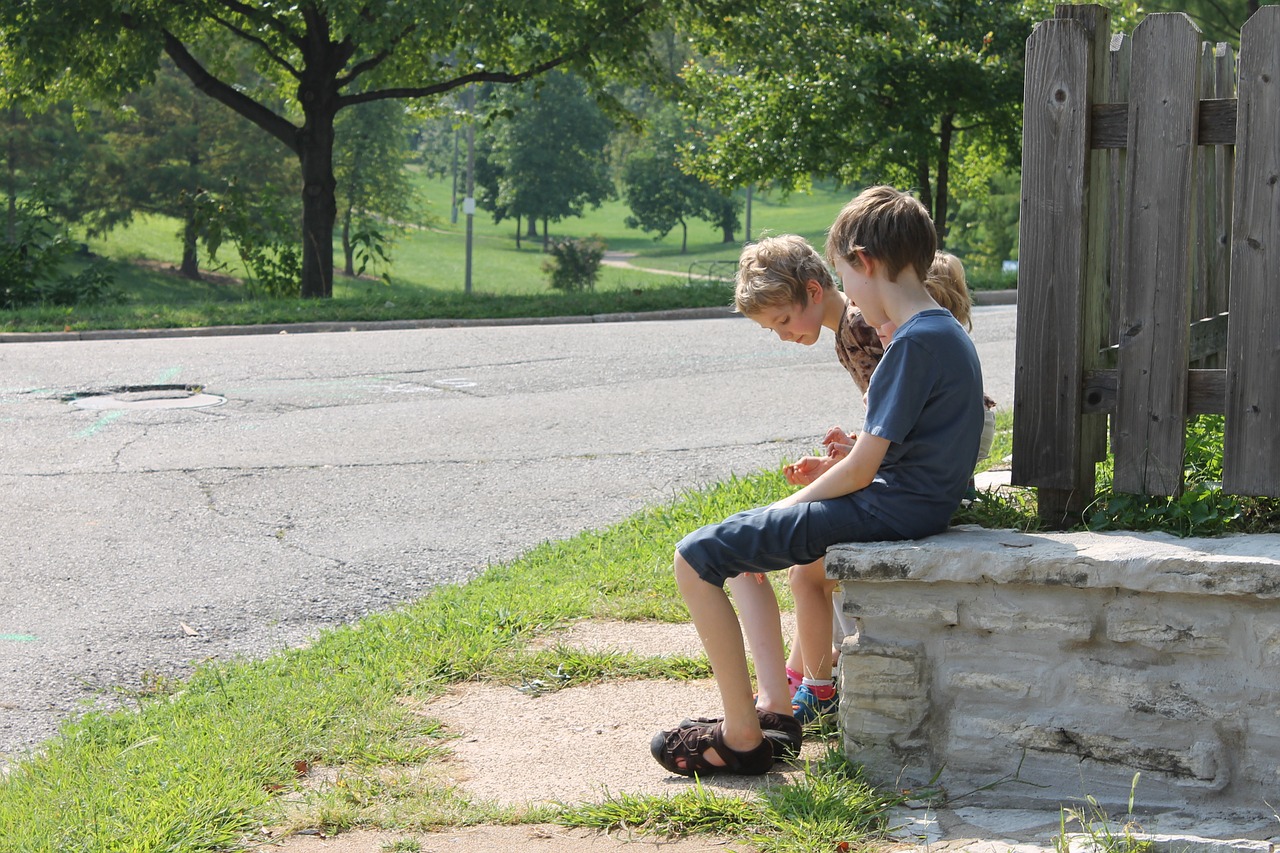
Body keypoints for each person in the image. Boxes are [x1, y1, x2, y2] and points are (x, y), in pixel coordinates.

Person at [650, 186, 986, 776]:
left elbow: (861, 468)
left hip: (890, 507)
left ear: (864, 263)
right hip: (910, 504)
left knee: (695, 558)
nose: (848, 296)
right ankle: (769, 710)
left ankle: (744, 738)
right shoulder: (939, 332)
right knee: (723, 548)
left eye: (842, 275)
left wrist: (785, 507)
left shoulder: (912, 342)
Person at [782, 250, 997, 723]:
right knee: (814, 567)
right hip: (929, 452)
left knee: (811, 563)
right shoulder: (861, 330)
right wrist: (859, 447)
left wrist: (853, 464)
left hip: (918, 475)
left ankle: (814, 682)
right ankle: (811, 675)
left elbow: (907, 416)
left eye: (780, 320)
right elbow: (897, 419)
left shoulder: (864, 328)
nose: (877, 326)